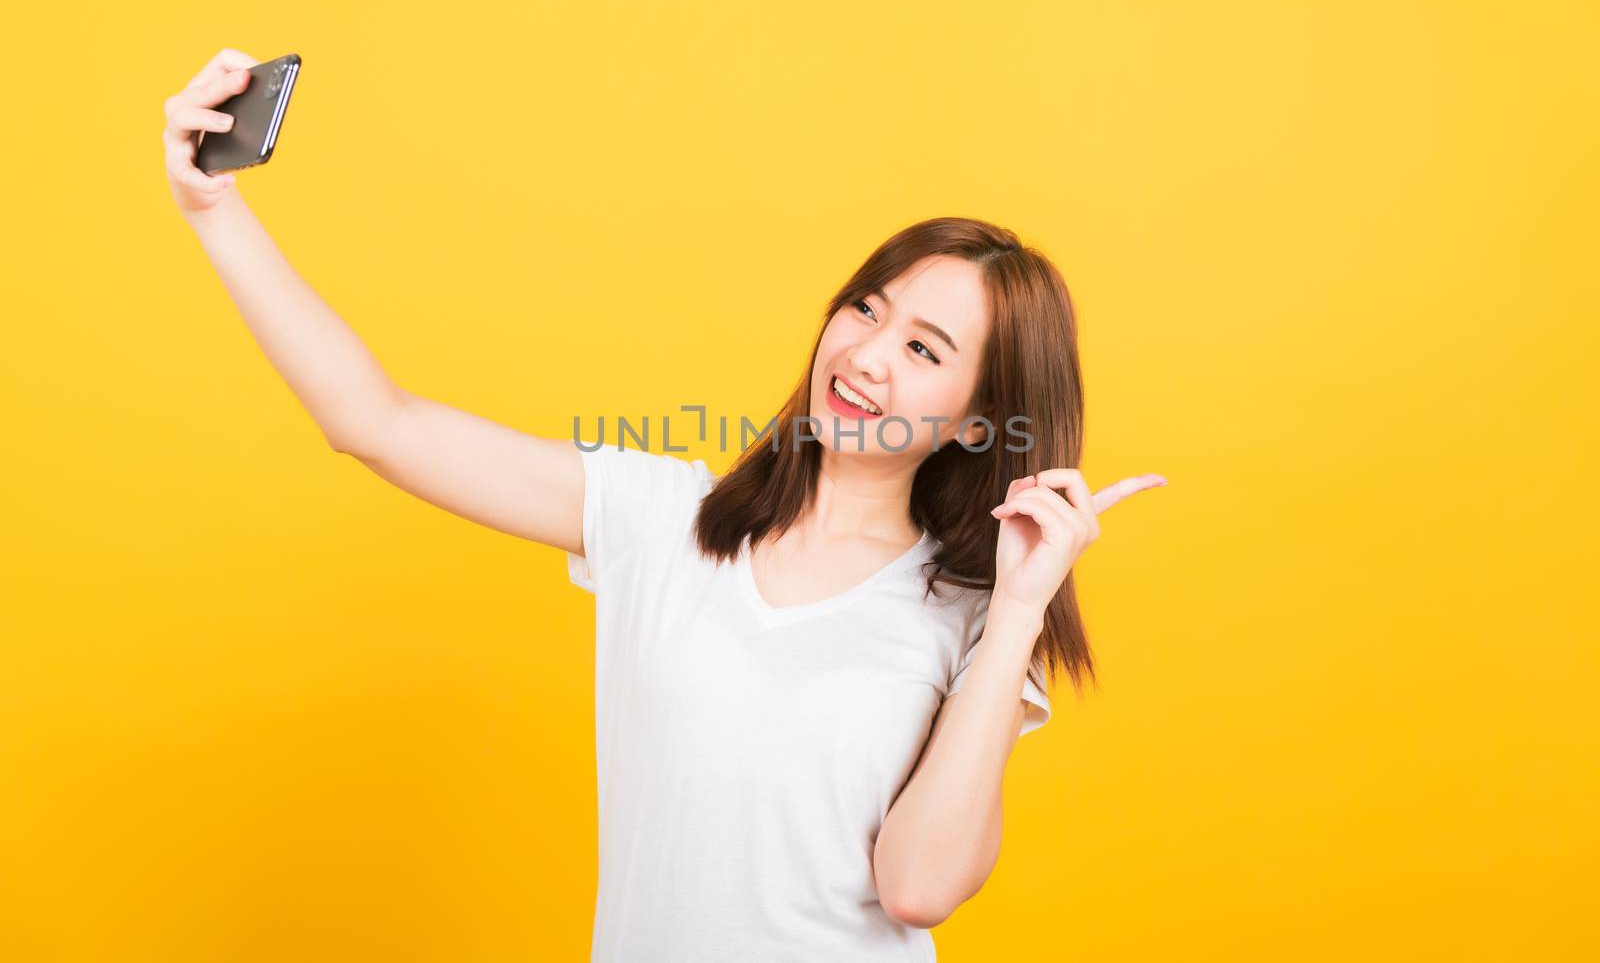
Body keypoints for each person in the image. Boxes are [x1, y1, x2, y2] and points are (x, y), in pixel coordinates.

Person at [164, 47, 1168, 962]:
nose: (864, 354)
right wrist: (216, 210)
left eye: (922, 349)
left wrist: (1020, 610)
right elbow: (374, 421)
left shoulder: (969, 617)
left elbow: (916, 888)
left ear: (974, 416)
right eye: (867, 308)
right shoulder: (662, 519)